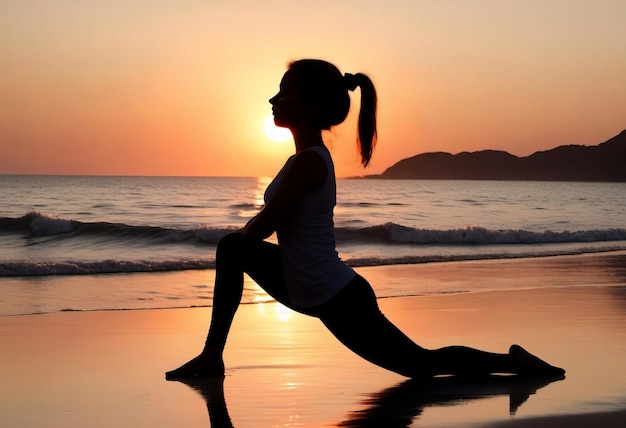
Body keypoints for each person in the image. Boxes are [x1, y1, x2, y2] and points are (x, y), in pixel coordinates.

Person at [166, 59, 565, 380]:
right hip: (305, 284)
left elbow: (265, 224)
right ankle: (211, 358)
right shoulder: (302, 159)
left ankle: (514, 362)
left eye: (285, 92)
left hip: (337, 296)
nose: (273, 99)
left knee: (420, 366)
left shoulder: (309, 163)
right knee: (233, 248)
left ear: (313, 104)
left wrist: (232, 248)